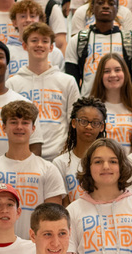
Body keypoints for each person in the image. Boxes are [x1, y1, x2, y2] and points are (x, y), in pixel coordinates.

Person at [0, 99, 66, 234]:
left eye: (25, 123)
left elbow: (53, 219)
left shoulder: (48, 169)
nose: (19, 127)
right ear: (4, 127)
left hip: (35, 249)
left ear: (33, 128)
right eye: (13, 122)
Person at [7, 22, 79, 160]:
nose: (39, 45)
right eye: (34, 40)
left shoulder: (68, 82)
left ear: (51, 47)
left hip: (60, 157)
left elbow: (73, 123)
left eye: (44, 41)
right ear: (24, 46)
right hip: (24, 157)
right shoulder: (12, 84)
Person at [64, 0, 132, 94]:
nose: (106, 6)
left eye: (111, 3)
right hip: (88, 104)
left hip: (122, 105)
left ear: (117, 9)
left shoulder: (131, 40)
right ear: (92, 7)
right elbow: (71, 81)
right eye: (100, 2)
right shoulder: (78, 40)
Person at [89, 53, 132, 154]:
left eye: (117, 70)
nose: (113, 75)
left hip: (129, 167)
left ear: (125, 73)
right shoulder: (91, 109)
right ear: (100, 76)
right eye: (107, 71)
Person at [55, 98, 107, 202]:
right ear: (74, 123)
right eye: (83, 121)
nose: (89, 126)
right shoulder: (60, 163)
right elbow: (63, 204)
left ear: (102, 127)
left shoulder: (108, 162)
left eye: (95, 123)